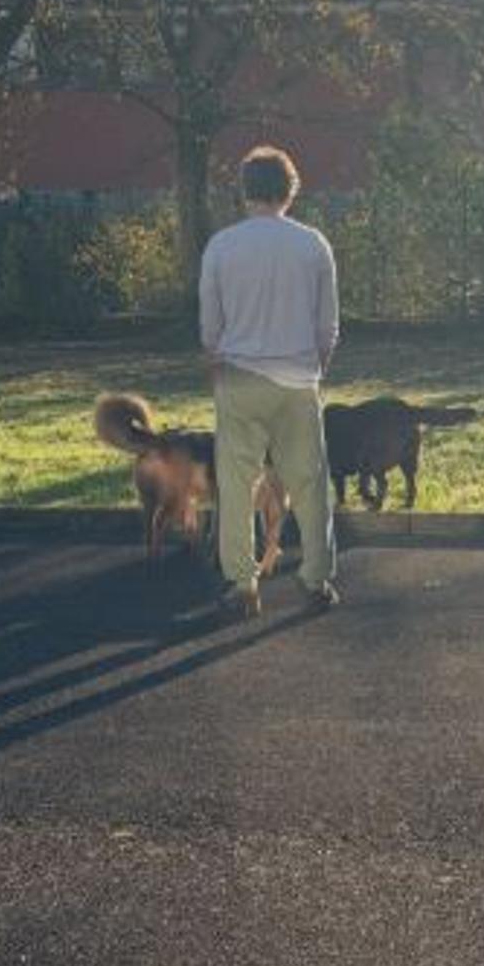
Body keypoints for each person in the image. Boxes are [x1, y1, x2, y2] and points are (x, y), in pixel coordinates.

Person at [199, 144, 340, 621]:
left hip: (239, 377)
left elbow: (210, 327)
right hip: (298, 378)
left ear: (245, 190)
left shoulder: (221, 246)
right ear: (290, 190)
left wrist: (218, 365)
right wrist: (316, 367)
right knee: (311, 483)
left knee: (236, 487)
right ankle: (315, 579)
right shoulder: (313, 244)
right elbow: (328, 326)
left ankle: (243, 584)